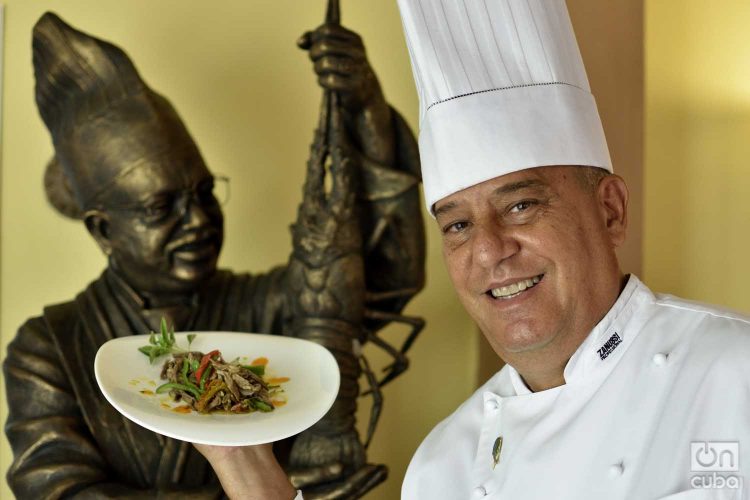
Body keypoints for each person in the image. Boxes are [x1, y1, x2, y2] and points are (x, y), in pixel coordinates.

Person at [198, 0, 750, 499]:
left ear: (610, 210)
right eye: (457, 225)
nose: (488, 250)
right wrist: (245, 464)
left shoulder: (732, 374)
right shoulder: (444, 465)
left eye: (521, 206)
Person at [4, 12, 424, 499]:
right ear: (104, 229)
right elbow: (59, 492)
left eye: (204, 193)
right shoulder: (47, 349)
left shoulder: (267, 307)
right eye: (162, 207)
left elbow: (384, 277)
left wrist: (366, 115)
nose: (199, 220)